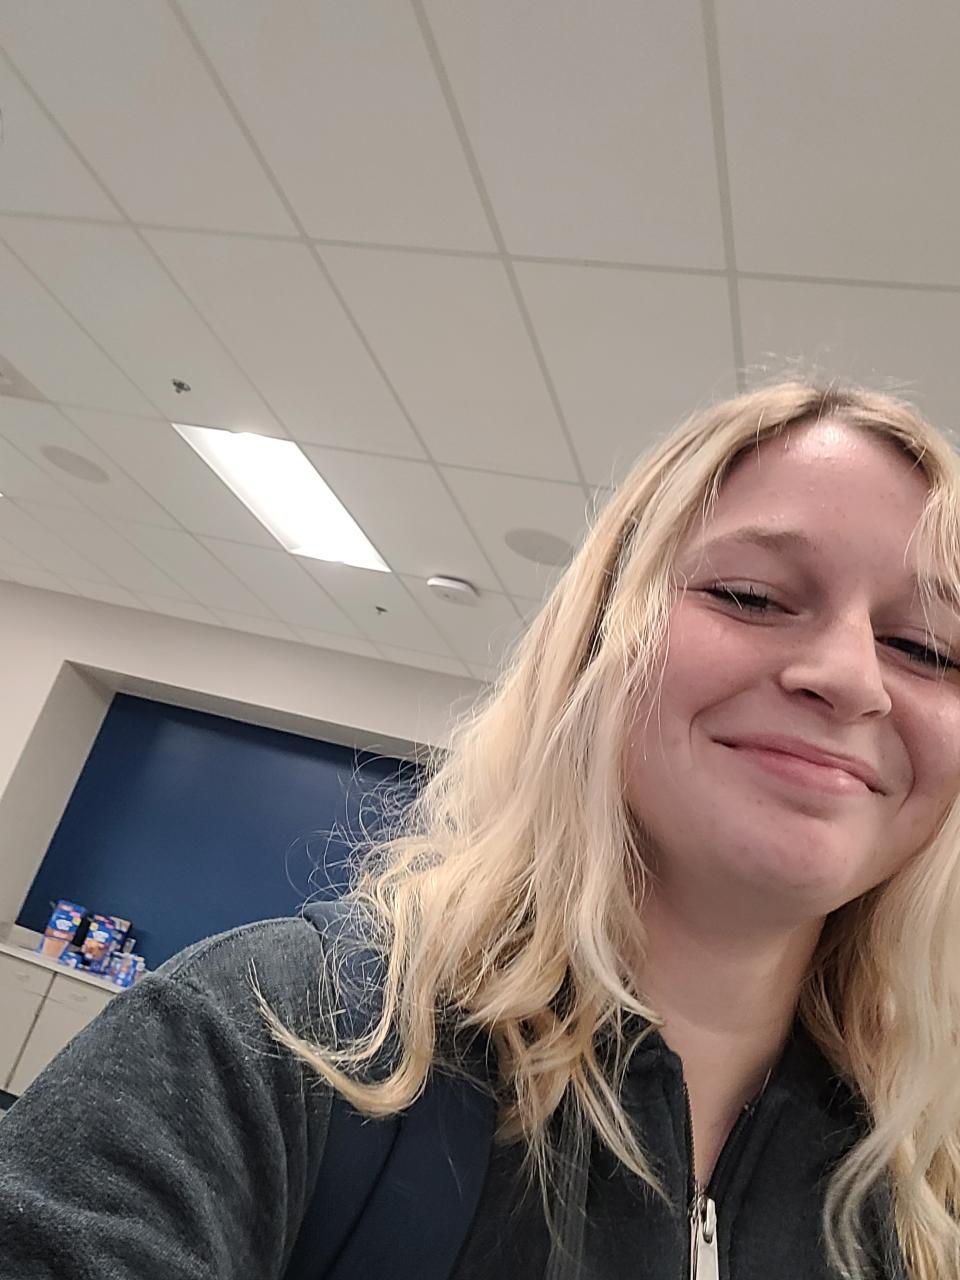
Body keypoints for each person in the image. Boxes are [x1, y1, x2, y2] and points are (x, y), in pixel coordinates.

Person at [2, 380, 960, 1279]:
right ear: (596, 641)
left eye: (925, 648)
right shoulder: (269, 1040)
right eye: (750, 596)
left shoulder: (932, 1193)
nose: (851, 679)